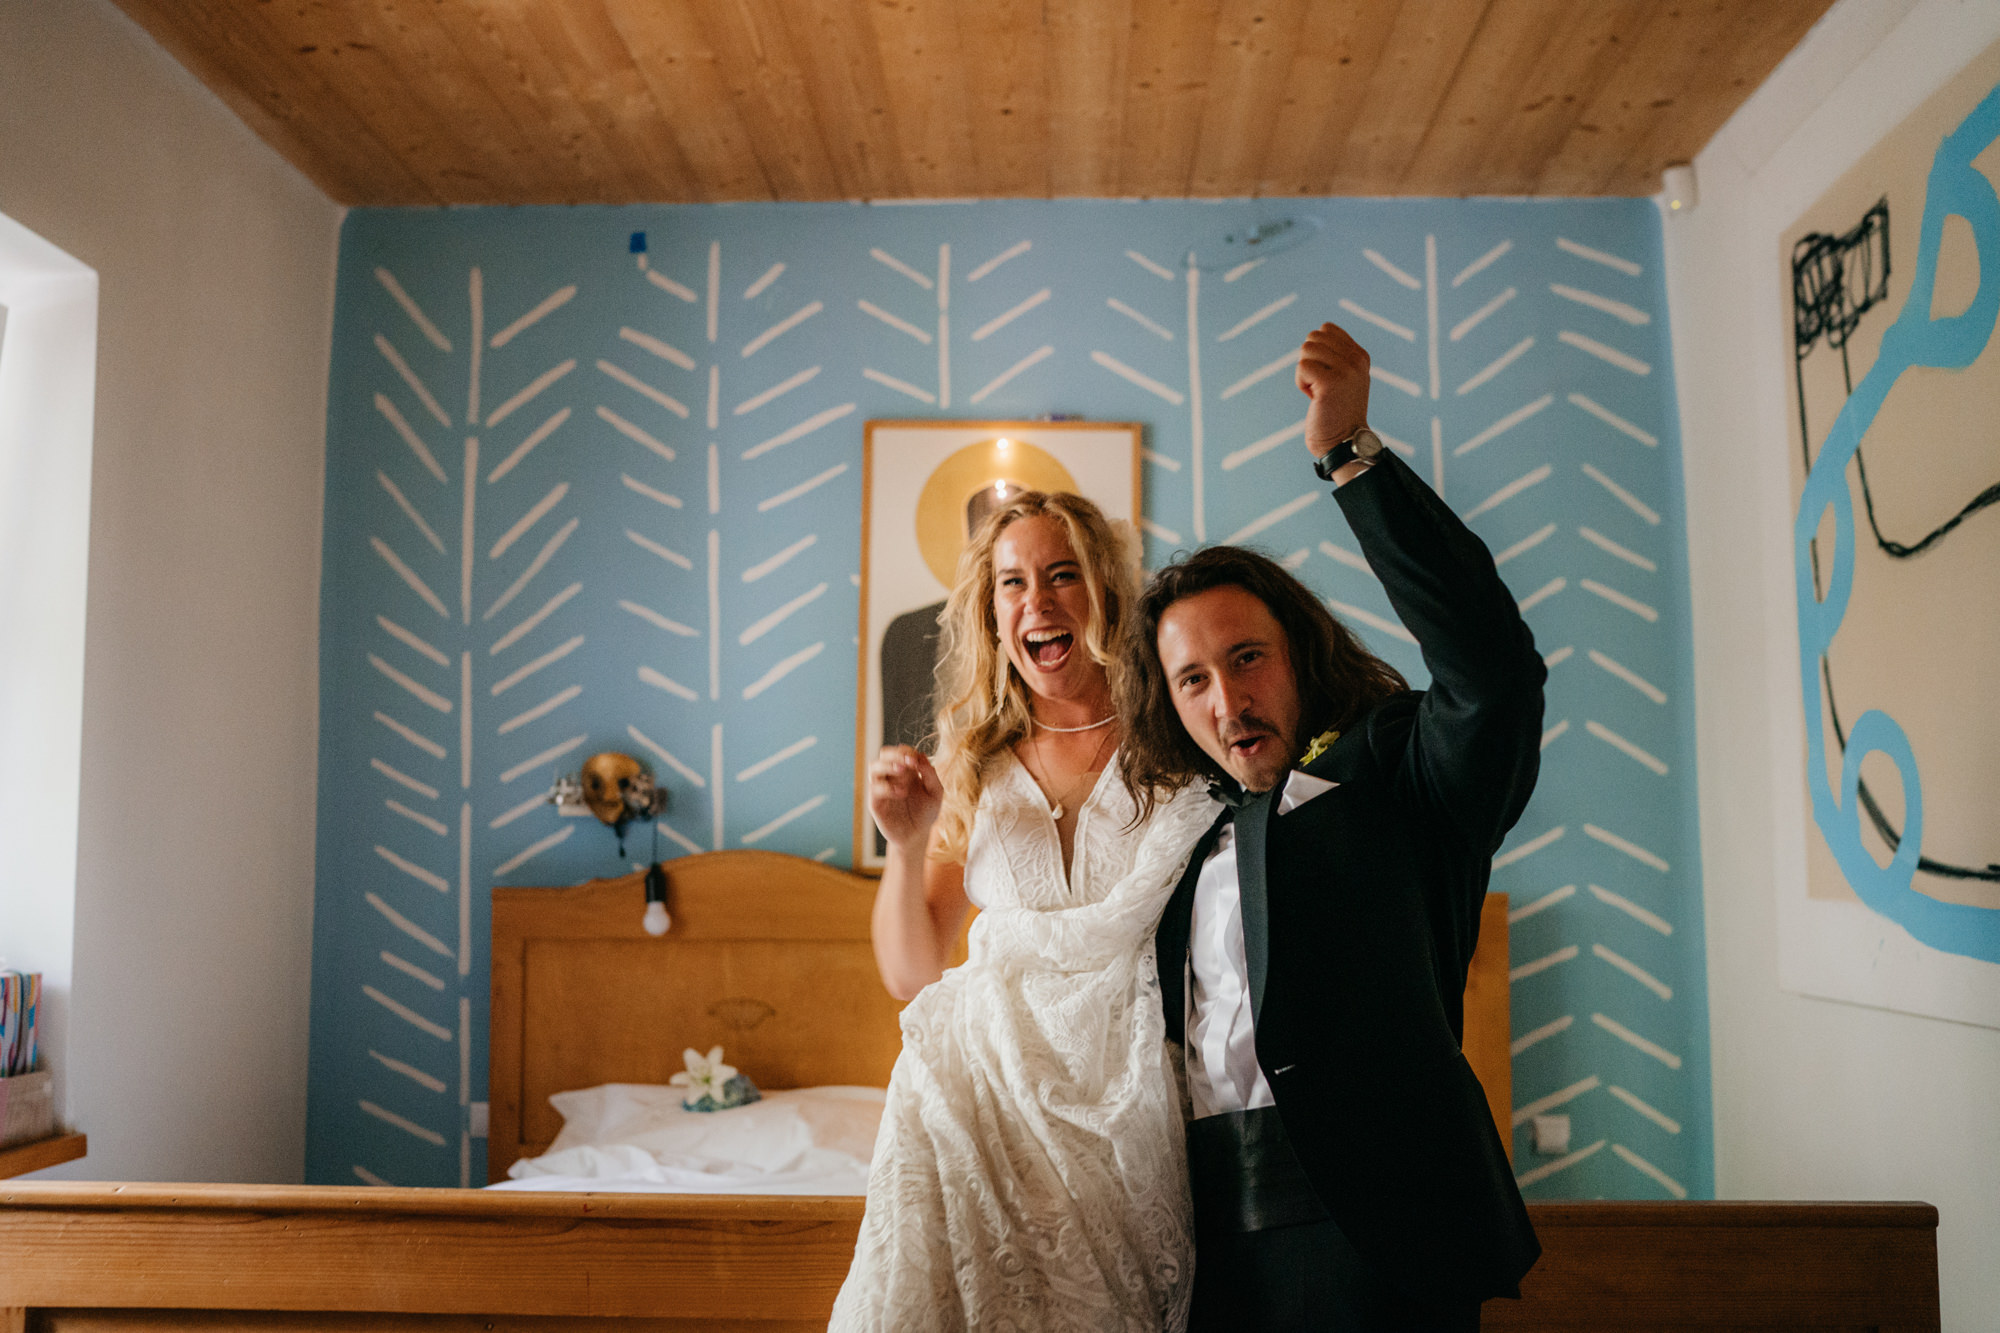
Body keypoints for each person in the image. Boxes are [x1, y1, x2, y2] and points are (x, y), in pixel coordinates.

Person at [1117, 320, 1545, 1330]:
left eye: (1246, 658)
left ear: (1298, 653)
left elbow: (1493, 671)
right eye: (1192, 679)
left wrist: (1349, 455)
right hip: (1201, 1242)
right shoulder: (1173, 842)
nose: (1227, 700)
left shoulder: (1403, 773)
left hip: (1377, 1234)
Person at [831, 491, 1219, 1332]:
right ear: (992, 610)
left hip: (1134, 1098)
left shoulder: (1173, 739)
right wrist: (907, 844)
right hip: (987, 1094)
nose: (1037, 600)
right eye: (1013, 582)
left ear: (1104, 591)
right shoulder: (973, 761)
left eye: (1061, 574)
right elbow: (911, 971)